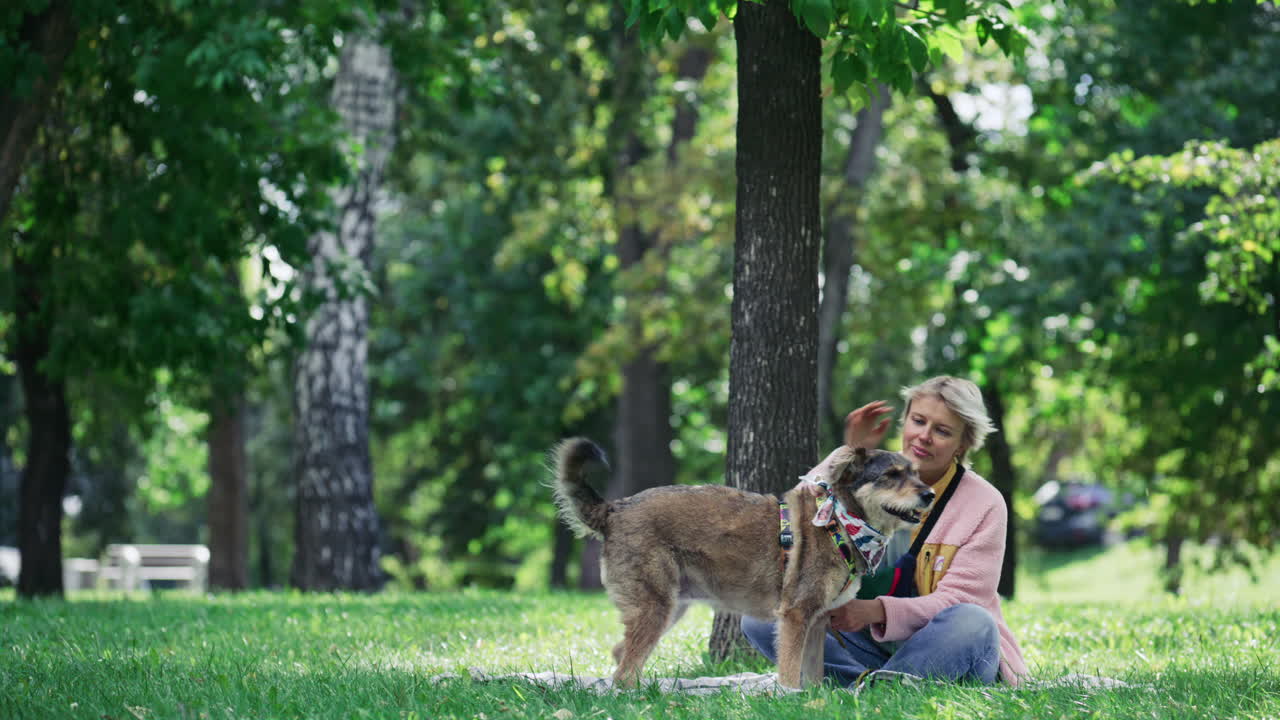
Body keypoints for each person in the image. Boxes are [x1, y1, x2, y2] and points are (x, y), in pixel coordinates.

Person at [741, 376, 1029, 687]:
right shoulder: (867, 470)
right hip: (867, 650)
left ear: (963, 444)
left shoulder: (984, 503)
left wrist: (875, 611)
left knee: (973, 620)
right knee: (763, 615)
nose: (924, 436)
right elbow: (791, 522)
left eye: (942, 431)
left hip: (954, 652)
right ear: (905, 421)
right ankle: (871, 686)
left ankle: (874, 687)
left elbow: (960, 598)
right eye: (918, 421)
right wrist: (850, 455)